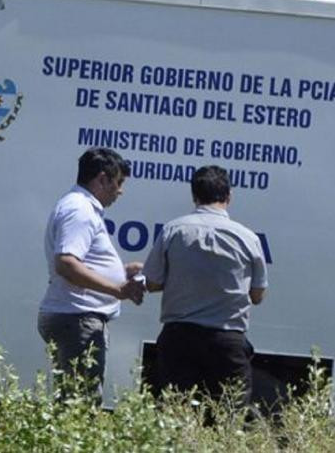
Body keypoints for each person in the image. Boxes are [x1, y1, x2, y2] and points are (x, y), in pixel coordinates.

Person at [143, 165, 268, 405]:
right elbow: (257, 295)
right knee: (229, 416)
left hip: (179, 337)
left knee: (176, 413)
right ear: (229, 196)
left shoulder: (173, 230)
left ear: (194, 196)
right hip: (227, 340)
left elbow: (153, 283)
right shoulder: (248, 238)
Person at [37, 147, 145, 397]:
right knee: (81, 402)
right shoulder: (80, 210)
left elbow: (79, 262)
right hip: (78, 317)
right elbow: (67, 263)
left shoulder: (80, 207)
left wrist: (123, 271)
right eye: (118, 183)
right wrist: (118, 289)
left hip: (76, 316)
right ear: (102, 178)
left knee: (76, 398)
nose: (121, 191)